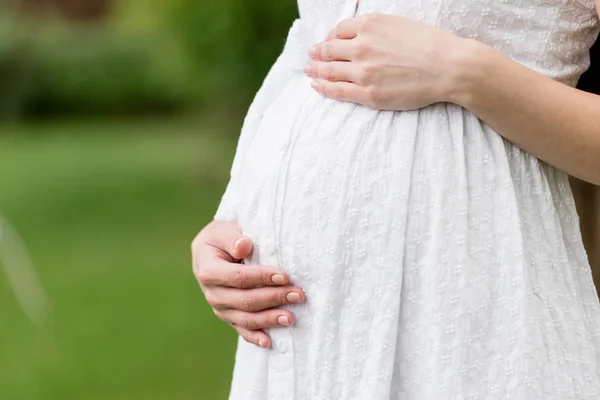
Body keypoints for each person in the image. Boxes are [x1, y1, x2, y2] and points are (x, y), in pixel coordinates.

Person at [192, 0, 600, 398]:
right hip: (300, 332)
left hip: (462, 303)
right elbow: (311, 42)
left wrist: (465, 73)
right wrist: (232, 212)